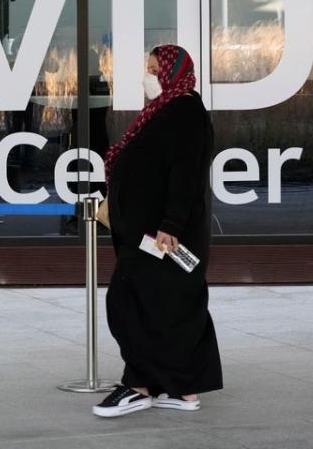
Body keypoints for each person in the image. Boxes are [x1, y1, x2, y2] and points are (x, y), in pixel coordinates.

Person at [92, 44, 222, 418]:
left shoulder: (184, 112)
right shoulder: (166, 110)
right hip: (152, 234)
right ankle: (180, 389)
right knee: (168, 307)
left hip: (164, 238)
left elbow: (185, 174)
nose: (147, 75)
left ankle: (138, 387)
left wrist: (170, 225)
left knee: (132, 303)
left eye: (154, 68)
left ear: (172, 72)